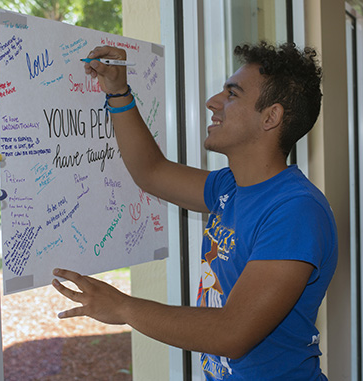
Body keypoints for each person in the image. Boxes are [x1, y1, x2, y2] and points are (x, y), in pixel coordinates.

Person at [52, 42, 338, 380]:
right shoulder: (229, 187)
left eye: (232, 94)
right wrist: (118, 92)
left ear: (271, 117)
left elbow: (231, 333)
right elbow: (151, 172)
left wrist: (123, 307)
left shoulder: (296, 211)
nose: (212, 103)